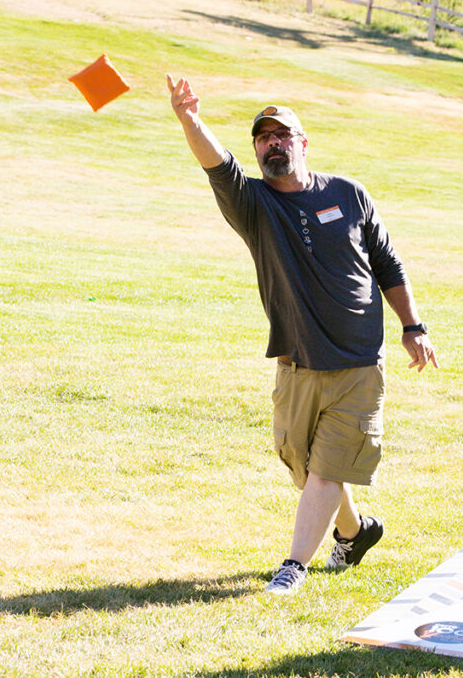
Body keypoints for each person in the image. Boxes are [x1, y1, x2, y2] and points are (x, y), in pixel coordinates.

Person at [167, 75, 439, 595]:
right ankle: (355, 532)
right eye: (264, 138)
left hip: (359, 364)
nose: (274, 143)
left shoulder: (349, 194)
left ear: (303, 142)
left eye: (283, 134)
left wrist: (412, 325)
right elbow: (215, 162)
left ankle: (293, 567)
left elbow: (387, 262)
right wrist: (189, 119)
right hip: (296, 363)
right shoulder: (253, 206)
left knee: (327, 469)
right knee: (306, 464)